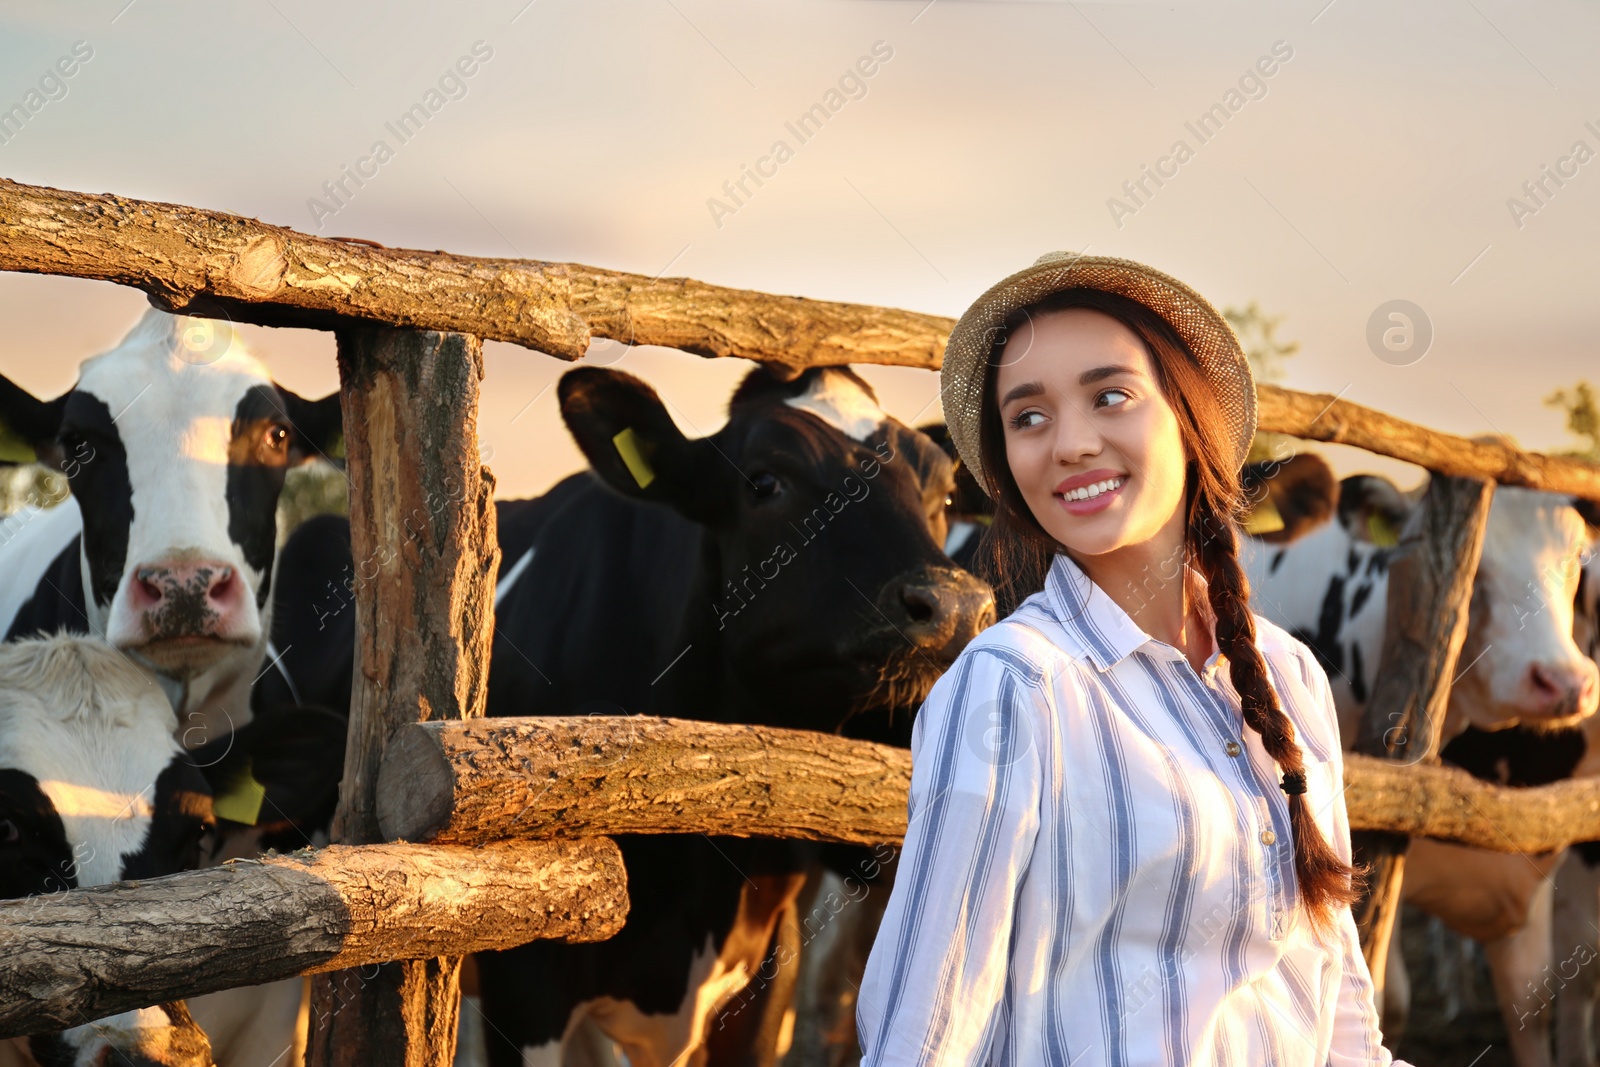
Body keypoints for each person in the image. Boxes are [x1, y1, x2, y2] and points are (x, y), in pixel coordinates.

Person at [855, 253, 1410, 1066]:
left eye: (1109, 395)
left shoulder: (1289, 675)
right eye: (1029, 417)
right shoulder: (1013, 683)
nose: (1071, 443)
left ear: (1193, 419)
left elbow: (1339, 1015)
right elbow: (923, 1036)